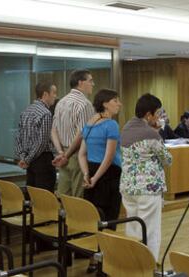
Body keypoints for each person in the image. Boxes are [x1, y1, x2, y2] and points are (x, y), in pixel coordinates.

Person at [120, 93, 172, 262]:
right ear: (149, 115)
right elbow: (167, 159)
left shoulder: (126, 128)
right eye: (157, 113)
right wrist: (157, 132)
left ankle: (133, 263)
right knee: (150, 230)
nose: (159, 117)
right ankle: (149, 266)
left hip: (128, 187)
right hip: (148, 189)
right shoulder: (151, 134)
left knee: (133, 227)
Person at [78, 89, 122, 223]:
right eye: (115, 101)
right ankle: (105, 244)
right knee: (108, 219)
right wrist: (95, 179)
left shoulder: (89, 124)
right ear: (105, 104)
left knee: (93, 218)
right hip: (108, 175)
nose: (119, 104)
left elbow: (81, 154)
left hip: (91, 170)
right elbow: (109, 157)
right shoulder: (111, 124)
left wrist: (87, 175)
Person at [51, 69, 95, 197]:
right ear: (80, 83)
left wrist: (60, 153)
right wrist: (67, 155)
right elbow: (82, 133)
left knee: (64, 196)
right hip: (76, 154)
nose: (93, 84)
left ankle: (66, 218)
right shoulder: (85, 104)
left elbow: (53, 130)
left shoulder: (61, 102)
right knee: (78, 198)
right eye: (90, 81)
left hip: (63, 154)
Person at [15, 81, 57, 192]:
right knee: (45, 199)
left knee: (33, 196)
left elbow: (18, 137)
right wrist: (27, 160)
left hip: (30, 161)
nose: (55, 96)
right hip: (42, 160)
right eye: (54, 92)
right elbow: (42, 142)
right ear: (45, 94)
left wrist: (24, 158)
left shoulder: (26, 111)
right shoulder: (46, 113)